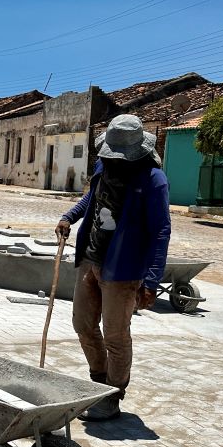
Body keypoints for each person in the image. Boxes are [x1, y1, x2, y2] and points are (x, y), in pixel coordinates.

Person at [56, 114, 170, 421]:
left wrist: (151, 279)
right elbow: (91, 200)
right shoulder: (102, 167)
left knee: (116, 336)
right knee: (83, 324)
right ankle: (98, 382)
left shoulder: (152, 180)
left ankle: (114, 394)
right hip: (90, 259)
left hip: (124, 269)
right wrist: (69, 216)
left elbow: (161, 230)